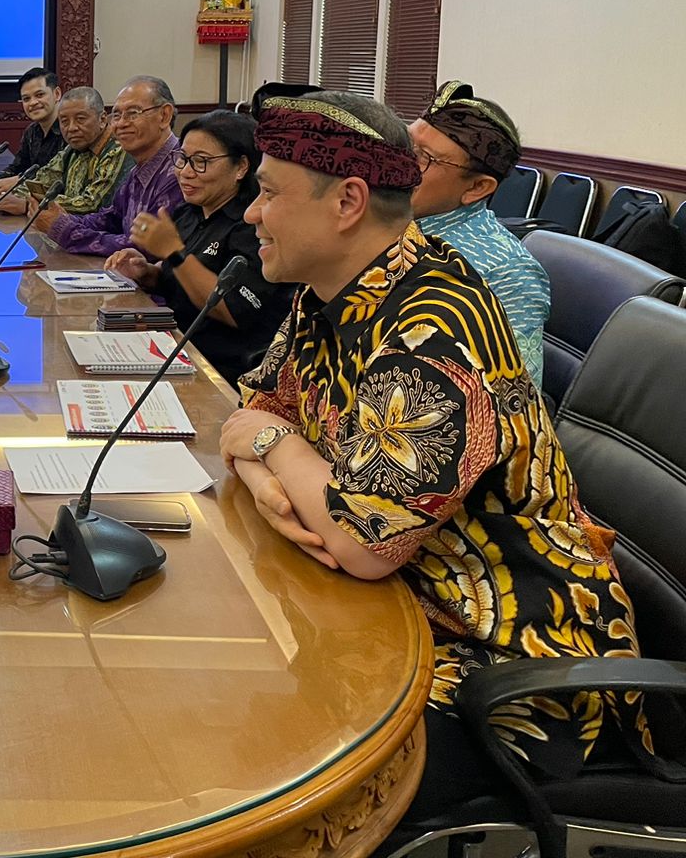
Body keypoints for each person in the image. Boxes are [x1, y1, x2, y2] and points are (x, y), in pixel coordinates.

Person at [220, 85, 654, 827]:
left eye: (268, 193)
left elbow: (362, 542)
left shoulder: (435, 329)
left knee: (270, 787)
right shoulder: (330, 286)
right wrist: (270, 473)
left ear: (348, 202)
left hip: (512, 662)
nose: (252, 214)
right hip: (396, 606)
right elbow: (253, 410)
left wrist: (272, 447)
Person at [105, 110, 293, 386]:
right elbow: (177, 278)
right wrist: (146, 273)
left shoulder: (254, 226)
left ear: (241, 167)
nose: (185, 172)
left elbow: (231, 308)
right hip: (172, 351)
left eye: (201, 162)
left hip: (223, 372)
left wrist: (174, 252)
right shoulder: (188, 213)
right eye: (182, 159)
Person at [409, 81, 550, 388]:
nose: (400, 161)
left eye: (424, 157)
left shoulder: (506, 273)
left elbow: (514, 401)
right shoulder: (384, 223)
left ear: (477, 187)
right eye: (406, 145)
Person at [36, 76, 182, 255]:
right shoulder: (140, 169)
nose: (121, 124)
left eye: (133, 113)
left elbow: (145, 246)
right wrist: (61, 218)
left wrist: (65, 231)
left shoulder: (181, 170)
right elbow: (110, 219)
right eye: (117, 115)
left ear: (164, 115)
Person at [0, 86, 129, 217]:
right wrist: (6, 195)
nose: (71, 128)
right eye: (64, 121)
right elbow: (42, 181)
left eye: (80, 119)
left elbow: (92, 204)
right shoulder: (72, 148)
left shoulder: (118, 149)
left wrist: (28, 205)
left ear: (102, 119)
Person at [0, 67, 63, 198]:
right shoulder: (31, 131)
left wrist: (20, 181)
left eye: (39, 95)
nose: (33, 103)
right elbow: (18, 167)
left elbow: (60, 176)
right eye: (26, 99)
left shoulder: (69, 131)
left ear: (57, 94)